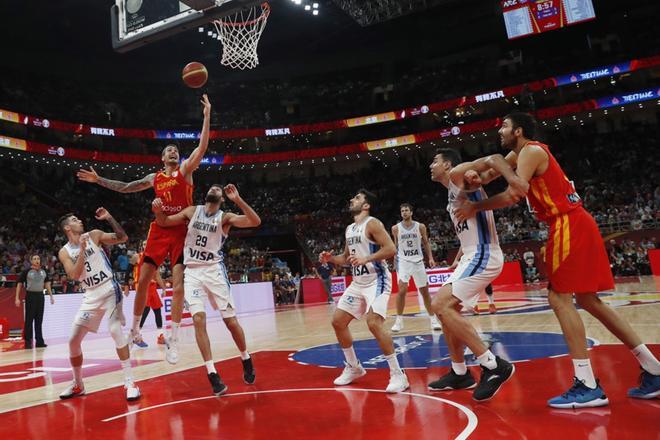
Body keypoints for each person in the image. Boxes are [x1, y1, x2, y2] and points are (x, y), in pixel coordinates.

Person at [454, 112, 660, 406]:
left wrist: (478, 205)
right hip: (575, 222)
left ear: (519, 130)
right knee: (589, 301)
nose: (500, 130)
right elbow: (488, 175)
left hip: (567, 222)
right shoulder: (518, 154)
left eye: (505, 126)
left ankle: (586, 383)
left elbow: (515, 193)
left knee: (558, 298)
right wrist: (474, 177)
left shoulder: (532, 151)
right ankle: (653, 368)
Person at [77, 94, 212, 364]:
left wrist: (207, 116)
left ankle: (172, 339)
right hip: (160, 230)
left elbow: (201, 148)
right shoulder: (155, 178)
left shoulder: (185, 171)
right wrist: (98, 179)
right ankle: (135, 329)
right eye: (168, 151)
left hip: (182, 231)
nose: (173, 152)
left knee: (178, 286)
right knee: (142, 281)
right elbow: (127, 187)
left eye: (176, 150)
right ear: (162, 158)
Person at [152, 184, 260, 395]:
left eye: (219, 189)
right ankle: (212, 374)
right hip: (192, 271)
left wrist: (238, 200)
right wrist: (158, 211)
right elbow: (163, 222)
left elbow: (255, 221)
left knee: (230, 321)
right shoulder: (192, 211)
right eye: (213, 187)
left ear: (222, 199)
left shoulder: (225, 217)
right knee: (198, 319)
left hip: (214, 271)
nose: (215, 189)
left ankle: (245, 357)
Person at [427, 149, 514, 401]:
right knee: (447, 314)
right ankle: (459, 373)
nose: (430, 165)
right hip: (471, 255)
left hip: (483, 254)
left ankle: (493, 365)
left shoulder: (458, 175)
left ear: (447, 164)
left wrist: (510, 164)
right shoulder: (451, 194)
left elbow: (489, 164)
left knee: (440, 305)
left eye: (435, 161)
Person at [320, 189, 409, 393]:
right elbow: (346, 258)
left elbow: (391, 249)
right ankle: (354, 367)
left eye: (357, 198)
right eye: (353, 197)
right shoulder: (350, 229)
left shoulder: (373, 224)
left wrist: (367, 259)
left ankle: (398, 374)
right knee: (338, 321)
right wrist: (331, 259)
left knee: (374, 323)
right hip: (358, 282)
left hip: (377, 280)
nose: (352, 199)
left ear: (366, 205)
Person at [57, 208, 140, 401]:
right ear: (68, 227)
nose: (80, 220)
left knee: (114, 331)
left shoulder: (93, 235)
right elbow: (74, 276)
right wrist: (83, 251)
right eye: (75, 219)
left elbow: (123, 238)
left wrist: (110, 218)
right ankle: (78, 384)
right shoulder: (64, 252)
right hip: (90, 295)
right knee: (73, 341)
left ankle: (130, 383)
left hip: (110, 289)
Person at [391, 203, 441, 332]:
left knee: (424, 292)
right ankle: (399, 321)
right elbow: (395, 246)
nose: (404, 213)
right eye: (402, 211)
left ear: (411, 212)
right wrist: (395, 261)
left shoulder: (420, 226)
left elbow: (425, 242)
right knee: (402, 290)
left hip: (418, 261)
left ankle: (433, 319)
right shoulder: (395, 228)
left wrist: (430, 257)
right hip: (403, 261)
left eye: (406, 210)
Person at [130, 242, 167, 345]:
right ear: (142, 246)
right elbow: (129, 268)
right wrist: (125, 282)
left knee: (157, 311)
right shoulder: (137, 256)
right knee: (144, 311)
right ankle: (137, 336)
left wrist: (163, 288)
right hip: (143, 286)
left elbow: (157, 275)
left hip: (152, 287)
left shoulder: (155, 258)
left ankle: (160, 336)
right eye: (145, 243)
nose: (147, 245)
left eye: (148, 243)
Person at [15, 255, 54, 349]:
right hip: (31, 296)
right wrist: (17, 298)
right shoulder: (27, 271)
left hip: (40, 296)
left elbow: (47, 283)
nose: (37, 260)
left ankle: (39, 342)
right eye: (35, 259)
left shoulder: (43, 271)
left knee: (39, 320)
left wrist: (51, 296)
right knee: (29, 320)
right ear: (31, 261)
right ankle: (28, 342)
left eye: (38, 259)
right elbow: (19, 284)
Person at [448, 249, 497, 314]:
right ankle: (474, 305)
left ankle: (491, 303)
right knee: (472, 283)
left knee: (486, 282)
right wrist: (456, 259)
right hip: (470, 259)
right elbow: (462, 246)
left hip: (483, 257)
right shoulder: (466, 242)